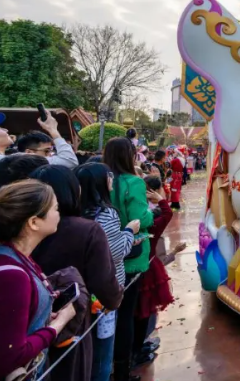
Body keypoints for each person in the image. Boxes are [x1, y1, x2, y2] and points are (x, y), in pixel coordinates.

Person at [30, 165, 123, 381]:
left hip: (35, 322)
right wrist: (115, 298)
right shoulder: (87, 229)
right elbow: (104, 283)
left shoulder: (21, 230)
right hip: (76, 319)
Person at [0, 180, 78, 381]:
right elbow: (10, 356)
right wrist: (58, 324)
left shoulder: (15, 256)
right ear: (34, 222)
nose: (59, 213)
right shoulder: (12, 276)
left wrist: (43, 313)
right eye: (55, 208)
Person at [77, 162, 138, 381]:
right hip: (104, 293)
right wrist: (129, 231)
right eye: (108, 176)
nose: (112, 179)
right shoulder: (106, 214)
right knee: (103, 352)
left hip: (83, 288)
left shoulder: (78, 211)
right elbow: (116, 252)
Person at [104, 137, 155, 381]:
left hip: (104, 252)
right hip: (130, 253)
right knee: (126, 313)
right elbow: (140, 218)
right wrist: (151, 213)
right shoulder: (133, 182)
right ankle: (123, 368)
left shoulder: (102, 179)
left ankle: (109, 366)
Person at [134, 177, 175, 368]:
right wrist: (161, 200)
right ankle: (137, 350)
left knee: (136, 312)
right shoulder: (150, 223)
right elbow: (167, 213)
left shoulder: (128, 222)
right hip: (147, 271)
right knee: (145, 311)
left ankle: (136, 348)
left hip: (133, 271)